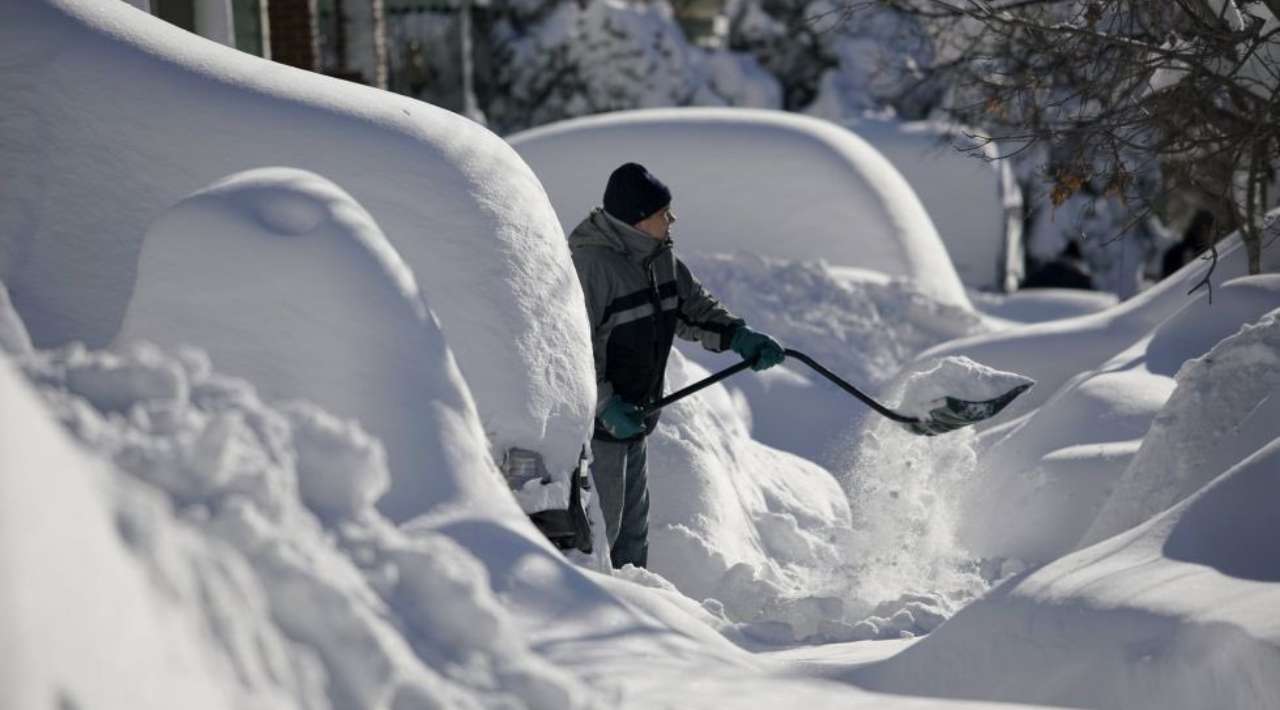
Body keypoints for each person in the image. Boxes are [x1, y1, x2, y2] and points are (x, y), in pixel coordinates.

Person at [568, 162, 785, 569]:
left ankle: (638, 608)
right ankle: (590, 610)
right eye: (662, 213)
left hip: (636, 417)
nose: (672, 219)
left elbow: (691, 309)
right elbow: (574, 347)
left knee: (632, 537)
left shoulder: (658, 258)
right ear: (637, 220)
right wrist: (605, 405)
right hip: (598, 429)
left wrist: (739, 336)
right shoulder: (591, 267)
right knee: (599, 536)